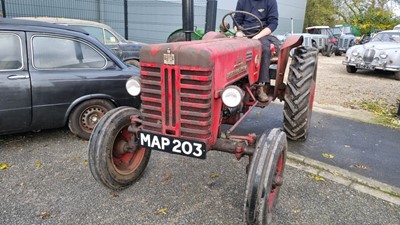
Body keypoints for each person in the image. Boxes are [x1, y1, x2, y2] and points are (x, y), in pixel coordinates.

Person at [234, 0, 279, 102]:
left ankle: (261, 86)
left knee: (264, 49)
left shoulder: (270, 2)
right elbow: (237, 20)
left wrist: (257, 37)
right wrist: (239, 34)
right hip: (244, 32)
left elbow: (273, 23)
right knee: (230, 47)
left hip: (261, 33)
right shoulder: (242, 1)